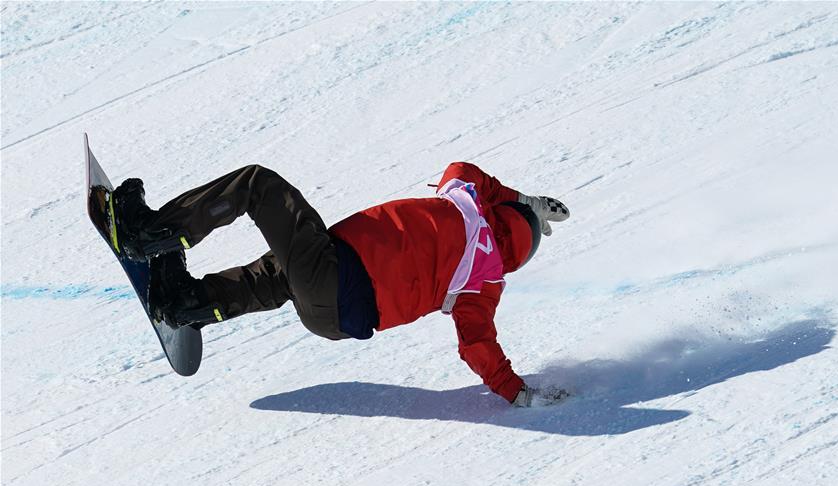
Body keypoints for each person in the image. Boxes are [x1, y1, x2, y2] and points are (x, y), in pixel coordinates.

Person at [112, 162, 571, 407]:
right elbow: (477, 342)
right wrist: (515, 391)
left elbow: (463, 167)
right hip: (338, 316)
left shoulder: (466, 203)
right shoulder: (484, 282)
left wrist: (522, 197)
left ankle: (150, 233)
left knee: (258, 185)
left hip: (338, 272)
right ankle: (187, 303)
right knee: (278, 273)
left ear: (503, 215)